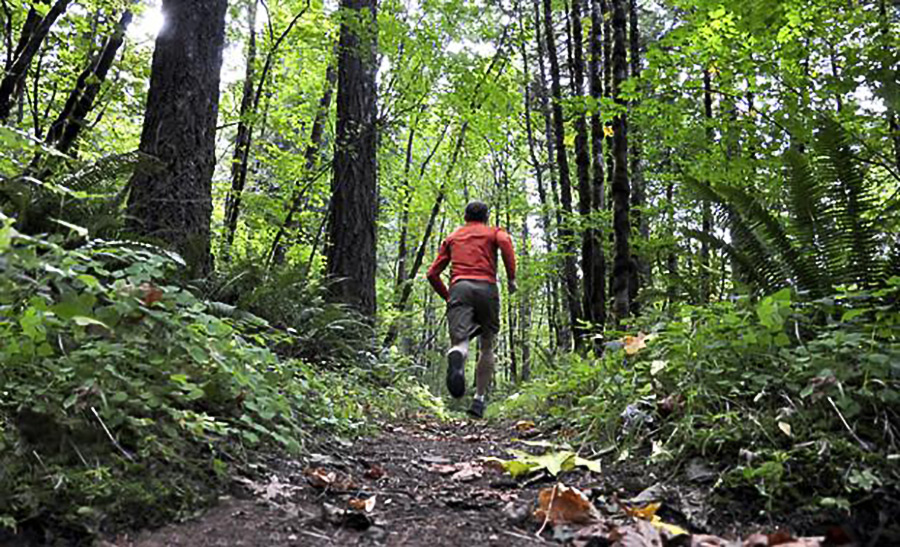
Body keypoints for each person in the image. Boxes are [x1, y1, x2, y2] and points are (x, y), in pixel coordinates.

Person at [426, 201, 517, 418]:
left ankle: (457, 355)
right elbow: (505, 243)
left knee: (460, 342)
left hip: (460, 287)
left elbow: (432, 274)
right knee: (487, 346)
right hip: (487, 288)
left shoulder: (453, 237)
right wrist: (511, 278)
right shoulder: (494, 232)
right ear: (486, 216)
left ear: (466, 217)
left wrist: (449, 297)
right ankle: (479, 400)